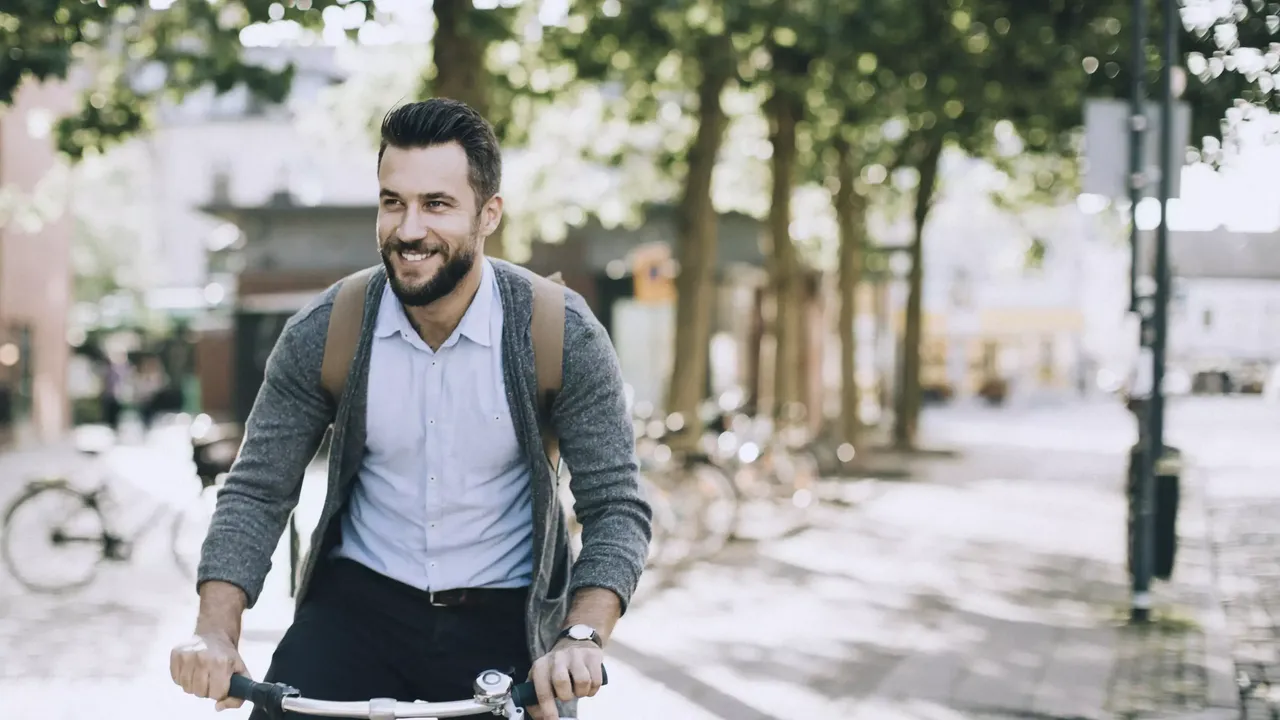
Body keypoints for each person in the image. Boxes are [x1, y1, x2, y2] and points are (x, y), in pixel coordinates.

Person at [169, 98, 652, 720]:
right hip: (355, 611)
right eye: (393, 201)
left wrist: (579, 637)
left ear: (489, 214)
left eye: (437, 204)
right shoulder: (326, 330)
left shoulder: (560, 333)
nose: (409, 228)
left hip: (505, 618)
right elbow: (258, 489)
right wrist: (215, 629)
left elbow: (616, 503)